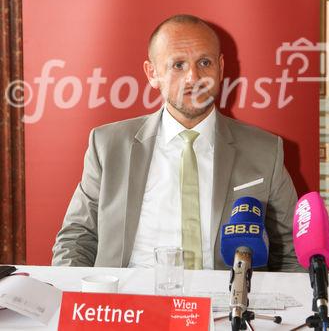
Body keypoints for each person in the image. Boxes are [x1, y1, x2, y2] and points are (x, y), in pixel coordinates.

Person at [52, 14, 300, 271]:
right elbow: (76, 238)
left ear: (221, 67)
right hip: (128, 303)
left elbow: (293, 250)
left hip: (226, 306)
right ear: (152, 73)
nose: (194, 77)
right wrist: (76, 300)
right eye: (178, 65)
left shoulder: (265, 151)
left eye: (205, 62)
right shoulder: (108, 145)